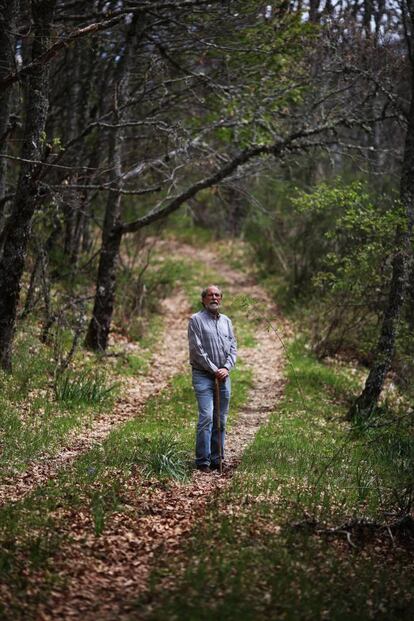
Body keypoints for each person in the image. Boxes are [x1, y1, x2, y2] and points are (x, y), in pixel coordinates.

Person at [188, 285, 237, 472]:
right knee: (207, 417)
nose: (214, 298)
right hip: (203, 375)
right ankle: (203, 461)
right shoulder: (196, 320)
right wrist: (215, 369)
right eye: (210, 295)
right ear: (203, 299)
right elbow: (196, 350)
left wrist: (226, 367)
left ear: (221, 299)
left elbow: (233, 347)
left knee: (221, 419)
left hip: (223, 376)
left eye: (217, 295)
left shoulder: (226, 321)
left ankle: (218, 459)